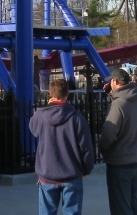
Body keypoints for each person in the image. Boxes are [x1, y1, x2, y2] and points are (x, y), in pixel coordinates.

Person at [28, 78, 94, 215]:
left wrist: (44, 108)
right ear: (67, 94)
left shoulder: (40, 115)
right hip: (71, 174)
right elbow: (86, 147)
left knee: (46, 212)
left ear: (50, 94)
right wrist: (87, 169)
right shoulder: (76, 117)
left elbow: (32, 128)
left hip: (47, 174)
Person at [98, 67, 137, 215]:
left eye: (111, 80)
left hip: (119, 162)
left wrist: (103, 148)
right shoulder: (135, 100)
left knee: (121, 208)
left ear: (116, 81)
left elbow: (109, 133)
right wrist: (111, 94)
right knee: (133, 204)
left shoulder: (118, 105)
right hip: (134, 159)